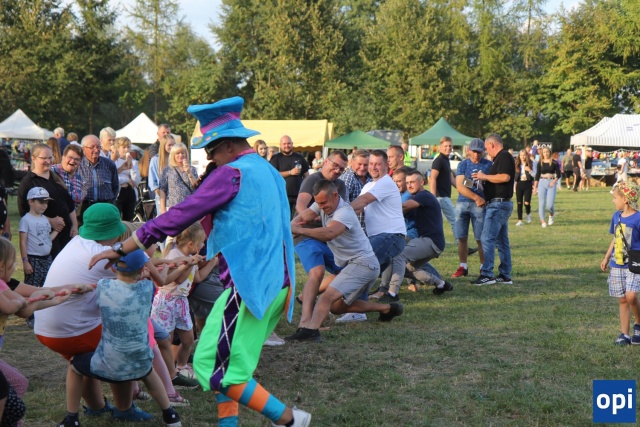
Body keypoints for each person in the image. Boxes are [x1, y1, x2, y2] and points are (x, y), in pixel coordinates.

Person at [89, 96, 311, 427]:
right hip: (273, 282)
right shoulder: (267, 170)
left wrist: (126, 247)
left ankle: (289, 419)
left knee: (212, 366)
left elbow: (182, 213)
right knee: (222, 359)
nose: (209, 158)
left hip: (250, 284)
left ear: (230, 145)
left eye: (212, 150)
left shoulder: (232, 173)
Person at [64, 249, 182, 426]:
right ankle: (170, 415)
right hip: (139, 361)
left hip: (109, 363)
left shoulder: (103, 286)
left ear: (113, 268)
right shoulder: (147, 288)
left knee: (74, 366)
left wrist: (85, 288)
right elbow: (157, 280)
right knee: (148, 373)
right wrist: (160, 269)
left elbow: (98, 288)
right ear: (142, 269)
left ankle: (71, 419)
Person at [288, 180, 403, 342]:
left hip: (363, 264)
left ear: (335, 195)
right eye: (318, 203)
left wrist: (300, 230)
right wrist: (292, 226)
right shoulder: (322, 203)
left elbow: (329, 233)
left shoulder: (344, 212)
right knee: (336, 307)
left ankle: (310, 331)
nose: (321, 207)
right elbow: (301, 217)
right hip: (354, 265)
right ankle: (388, 309)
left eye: (324, 203)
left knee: (326, 297)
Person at [0, 237, 76, 427]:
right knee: (10, 398)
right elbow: (14, 306)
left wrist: (56, 300)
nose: (15, 266)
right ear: (2, 266)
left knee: (18, 383)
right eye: (13, 262)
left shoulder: (4, 285)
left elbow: (25, 309)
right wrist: (27, 299)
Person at [289, 151, 348, 332]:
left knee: (347, 271)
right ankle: (305, 322)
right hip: (306, 235)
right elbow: (301, 205)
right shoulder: (313, 179)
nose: (337, 170)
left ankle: (308, 298)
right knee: (317, 271)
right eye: (335, 165)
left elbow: (341, 211)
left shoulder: (340, 185)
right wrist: (311, 216)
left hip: (327, 236)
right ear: (326, 161)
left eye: (341, 169)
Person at [153, 223, 217, 378]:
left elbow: (198, 277)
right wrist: (190, 263)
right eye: (201, 242)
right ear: (190, 244)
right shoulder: (174, 255)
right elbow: (179, 279)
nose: (203, 246)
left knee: (189, 339)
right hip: (166, 302)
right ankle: (166, 373)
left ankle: (182, 366)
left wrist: (212, 263)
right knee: (166, 341)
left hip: (181, 302)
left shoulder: (189, 257)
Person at [382, 170, 452, 299]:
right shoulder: (416, 198)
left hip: (431, 241)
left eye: (413, 182)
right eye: (407, 182)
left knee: (398, 256)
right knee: (408, 269)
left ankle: (392, 293)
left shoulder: (423, 195)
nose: (409, 185)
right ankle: (441, 284)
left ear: (421, 182)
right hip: (432, 242)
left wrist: (382, 207)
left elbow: (405, 206)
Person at [351, 150, 406, 300]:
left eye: (378, 164)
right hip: (379, 237)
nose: (373, 167)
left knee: (362, 267)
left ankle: (350, 305)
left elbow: (363, 201)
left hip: (391, 236)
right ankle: (358, 306)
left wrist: (339, 212)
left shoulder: (386, 182)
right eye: (371, 163)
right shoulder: (368, 186)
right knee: (367, 275)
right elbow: (357, 208)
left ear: (386, 165)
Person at [17, 144, 77, 258]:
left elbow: (69, 204)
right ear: (34, 158)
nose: (48, 161)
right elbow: (24, 211)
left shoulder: (56, 177)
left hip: (66, 232)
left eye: (50, 158)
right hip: (45, 236)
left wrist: (74, 225)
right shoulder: (28, 182)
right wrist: (49, 221)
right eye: (44, 158)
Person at [471, 134, 515, 285]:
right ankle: (505, 275)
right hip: (499, 204)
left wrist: (484, 177)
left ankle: (487, 274)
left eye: (485, 148)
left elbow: (505, 177)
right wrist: (479, 182)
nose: (485, 151)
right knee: (501, 241)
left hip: (498, 205)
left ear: (491, 144)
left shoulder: (504, 156)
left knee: (486, 238)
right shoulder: (500, 158)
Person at [600, 181, 640, 346]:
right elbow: (615, 238)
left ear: (625, 199)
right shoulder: (616, 216)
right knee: (623, 299)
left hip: (635, 263)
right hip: (617, 263)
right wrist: (606, 257)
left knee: (631, 296)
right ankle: (625, 335)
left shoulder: (638, 218)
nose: (613, 200)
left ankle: (638, 324)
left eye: (615, 198)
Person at [452, 139, 492, 278]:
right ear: (469, 150)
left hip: (480, 206)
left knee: (480, 238)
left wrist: (481, 188)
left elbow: (491, 185)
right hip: (463, 203)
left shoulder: (488, 165)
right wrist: (476, 195)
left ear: (483, 151)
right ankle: (463, 266)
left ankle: (483, 267)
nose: (476, 155)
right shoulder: (463, 164)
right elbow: (459, 184)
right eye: (474, 151)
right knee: (461, 237)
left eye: (479, 152)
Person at [19, 187, 59, 327]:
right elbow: (23, 242)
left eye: (46, 202)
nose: (44, 205)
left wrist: (57, 231)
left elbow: (47, 239)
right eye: (41, 202)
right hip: (33, 259)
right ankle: (29, 314)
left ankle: (42, 313)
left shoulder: (44, 219)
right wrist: (26, 262)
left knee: (45, 286)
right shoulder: (26, 220)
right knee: (31, 288)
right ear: (31, 201)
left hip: (46, 258)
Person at [77, 135, 120, 225]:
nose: (96, 150)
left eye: (98, 147)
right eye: (92, 147)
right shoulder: (78, 164)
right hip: (84, 208)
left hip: (105, 208)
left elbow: (115, 187)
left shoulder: (109, 164)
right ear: (83, 149)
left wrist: (110, 203)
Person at [269, 135, 310, 218]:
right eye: (284, 144)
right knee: (283, 220)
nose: (287, 146)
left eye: (288, 143)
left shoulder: (299, 157)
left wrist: (306, 190)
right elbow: (273, 175)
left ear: (292, 144)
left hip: (298, 197)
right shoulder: (275, 158)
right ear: (280, 145)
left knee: (297, 221)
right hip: (282, 197)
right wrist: (290, 172)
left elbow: (307, 176)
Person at [430, 137, 458, 244]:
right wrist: (433, 197)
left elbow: (452, 179)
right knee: (455, 220)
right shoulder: (439, 160)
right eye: (445, 146)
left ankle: (436, 243)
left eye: (450, 146)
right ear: (440, 147)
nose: (448, 148)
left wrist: (464, 191)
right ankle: (461, 245)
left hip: (444, 196)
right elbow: (432, 178)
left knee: (438, 222)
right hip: (440, 197)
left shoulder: (446, 160)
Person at [157, 143, 198, 215]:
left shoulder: (192, 169)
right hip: (172, 208)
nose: (181, 155)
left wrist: (189, 173)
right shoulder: (167, 170)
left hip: (189, 207)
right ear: (173, 155)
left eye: (183, 153)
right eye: (178, 153)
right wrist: (163, 210)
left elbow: (197, 187)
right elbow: (162, 189)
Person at [112, 136, 141, 222]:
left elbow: (136, 181)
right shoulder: (114, 161)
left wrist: (132, 166)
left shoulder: (134, 162)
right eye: (124, 147)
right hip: (118, 192)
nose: (127, 149)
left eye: (128, 147)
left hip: (130, 191)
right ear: (118, 148)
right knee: (116, 217)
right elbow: (113, 177)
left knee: (129, 219)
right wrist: (127, 180)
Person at [533, 146, 561, 228]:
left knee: (550, 205)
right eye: (544, 152)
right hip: (542, 182)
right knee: (541, 203)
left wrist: (554, 181)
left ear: (550, 152)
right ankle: (543, 221)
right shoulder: (540, 163)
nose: (546, 153)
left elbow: (558, 174)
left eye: (547, 152)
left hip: (551, 182)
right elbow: (537, 175)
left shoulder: (554, 162)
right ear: (542, 153)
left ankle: (551, 215)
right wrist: (535, 187)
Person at [149, 134, 176, 216]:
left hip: (175, 195)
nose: (172, 147)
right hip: (161, 195)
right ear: (163, 145)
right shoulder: (155, 160)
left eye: (173, 145)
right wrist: (161, 195)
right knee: (163, 218)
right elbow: (152, 181)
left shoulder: (176, 158)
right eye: (169, 145)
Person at [51, 145, 84, 209]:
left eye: (77, 159)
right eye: (70, 157)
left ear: (80, 162)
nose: (73, 161)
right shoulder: (53, 171)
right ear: (63, 157)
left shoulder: (79, 178)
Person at [514, 149, 534, 227]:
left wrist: (529, 170)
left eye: (524, 155)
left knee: (526, 202)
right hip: (519, 184)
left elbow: (534, 174)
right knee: (519, 203)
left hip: (527, 184)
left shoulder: (530, 163)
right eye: (521, 155)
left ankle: (528, 214)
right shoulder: (516, 164)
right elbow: (514, 175)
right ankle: (520, 220)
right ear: (519, 156)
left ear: (526, 156)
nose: (522, 157)